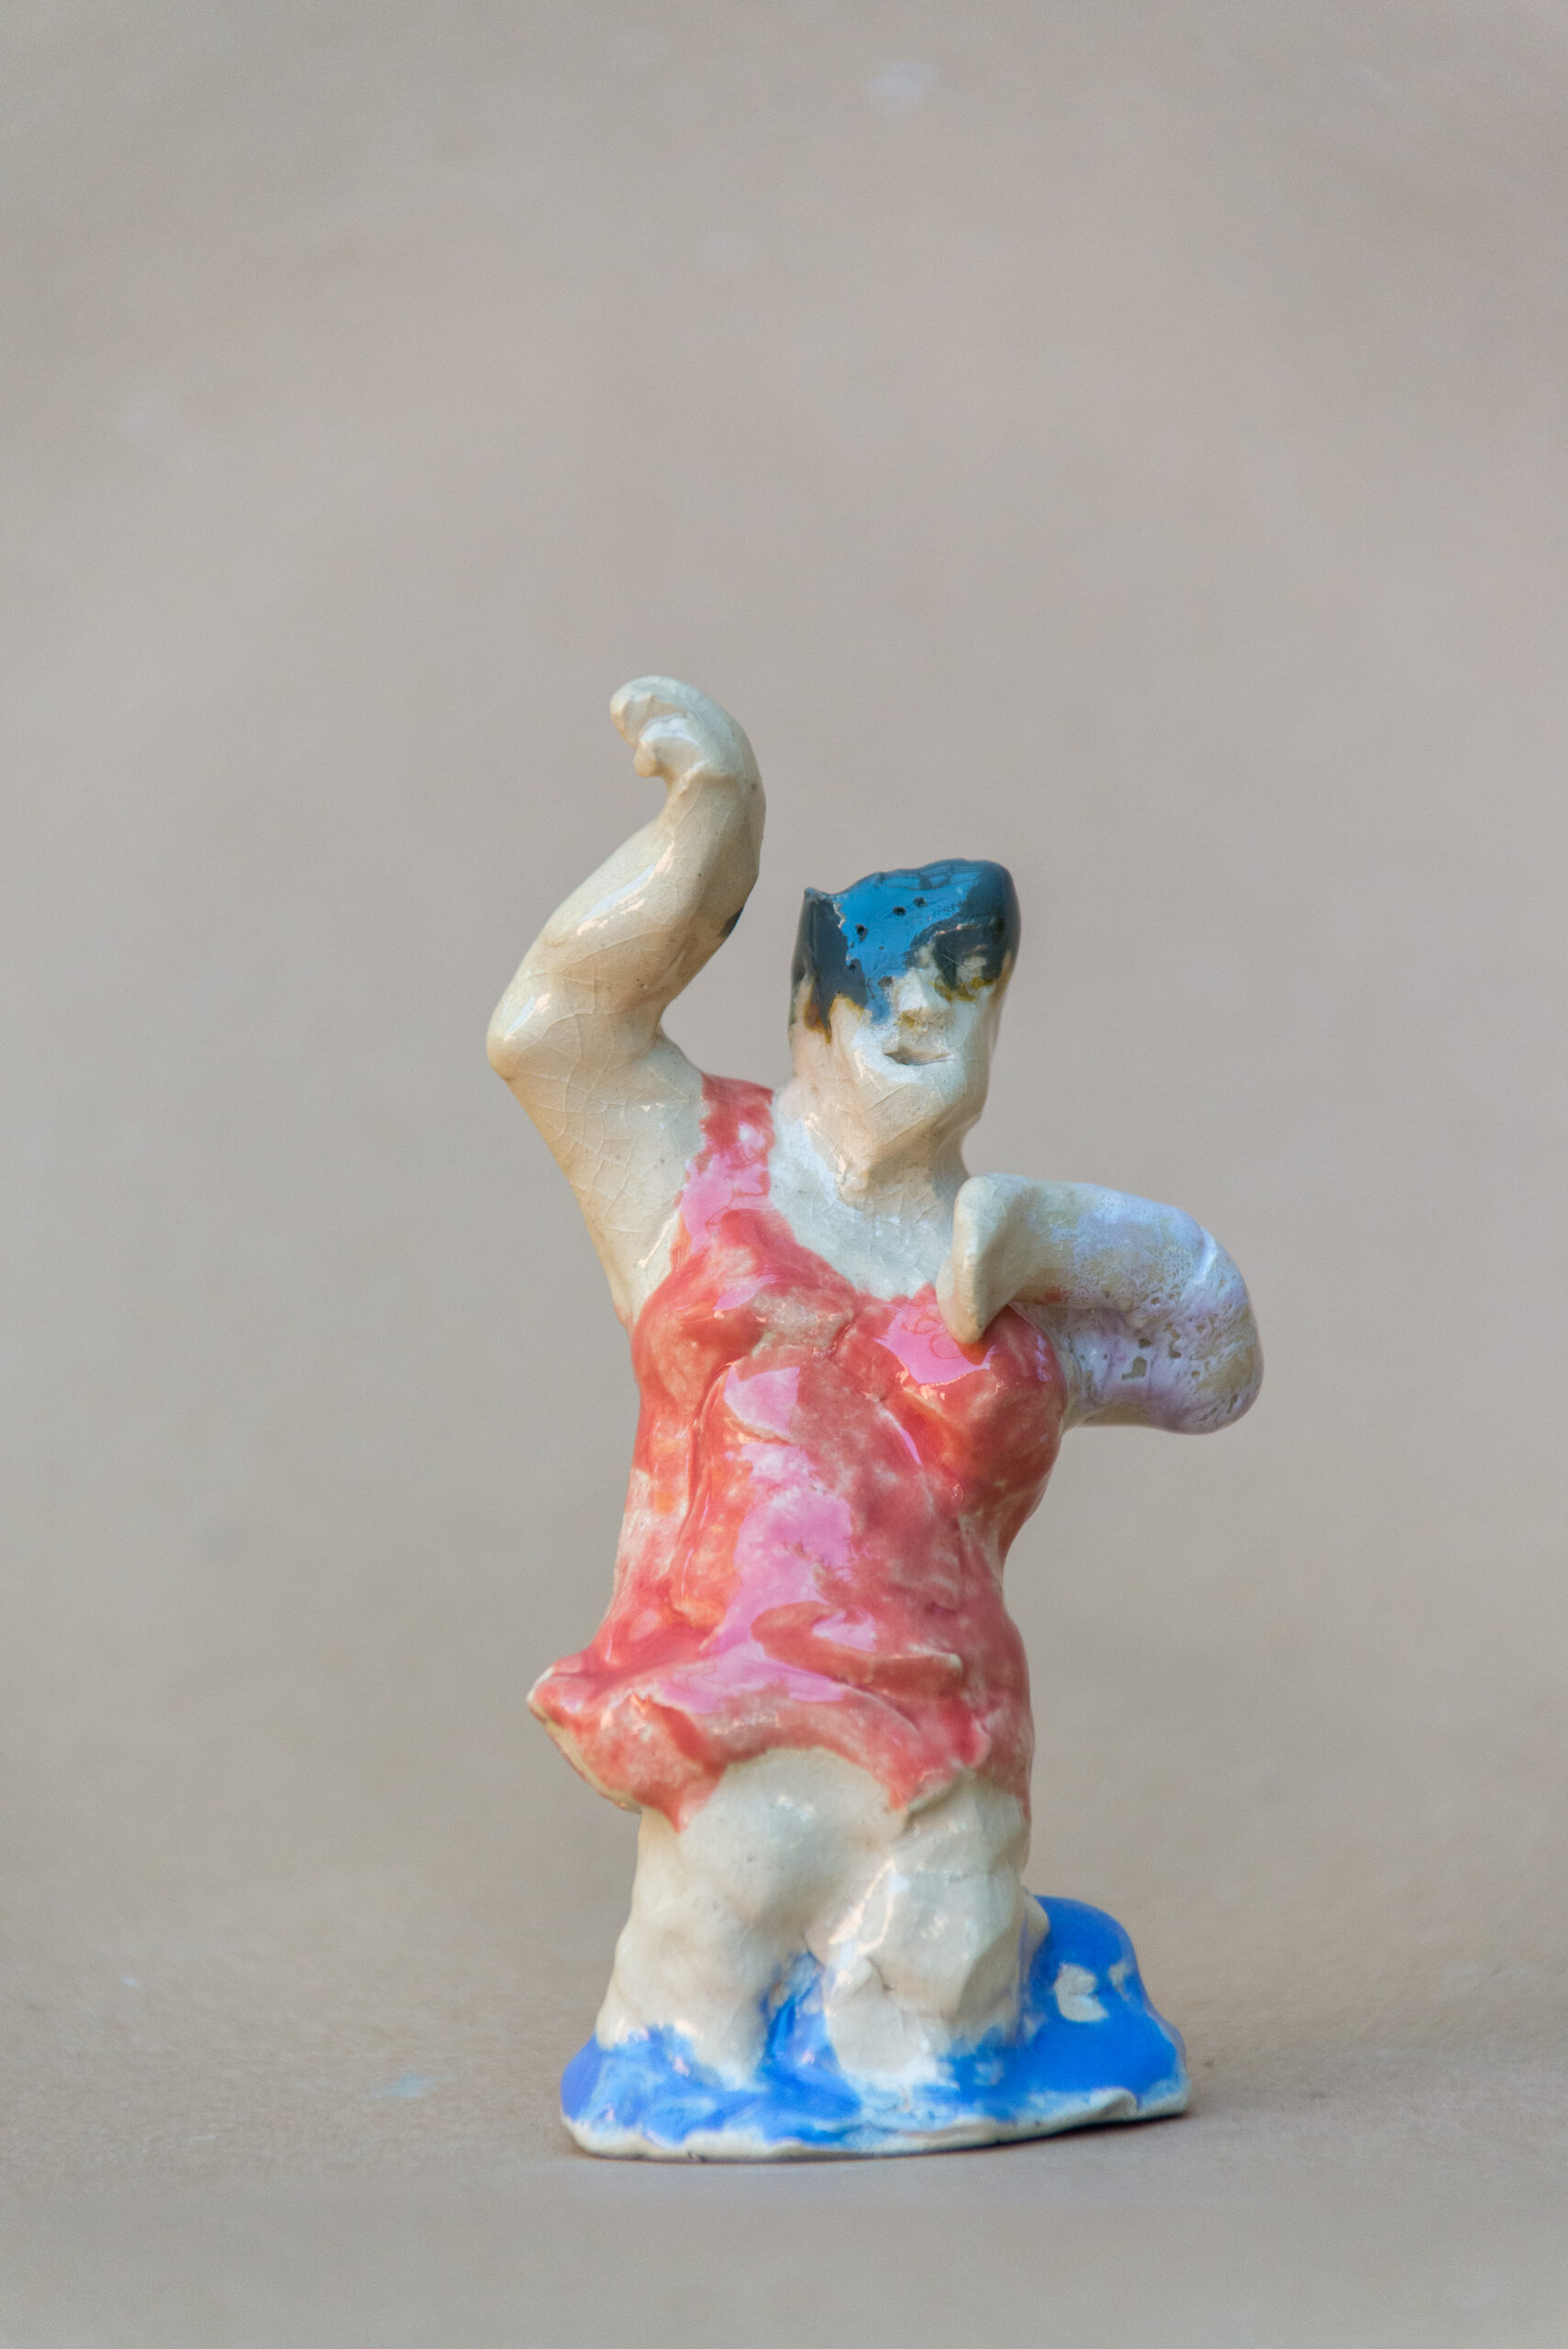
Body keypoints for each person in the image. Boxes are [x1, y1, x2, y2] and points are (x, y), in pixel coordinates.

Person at [487, 677, 1262, 2156]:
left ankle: (1029, 1976)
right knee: (688, 2034)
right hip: (725, 1733)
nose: (918, 1011)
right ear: (807, 1014)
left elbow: (1209, 1367)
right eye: (882, 983)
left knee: (929, 2042)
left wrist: (1058, 1232)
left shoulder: (1005, 1279)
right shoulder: (694, 1171)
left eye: (962, 986)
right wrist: (712, 828)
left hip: (941, 1761)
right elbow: (552, 1030)